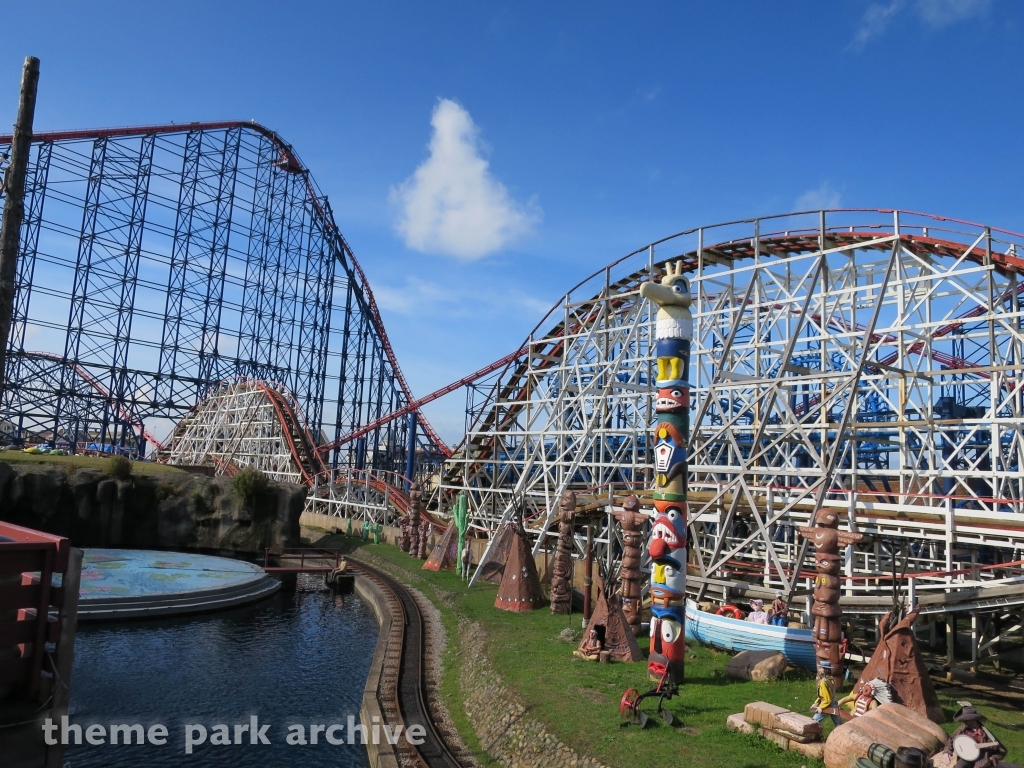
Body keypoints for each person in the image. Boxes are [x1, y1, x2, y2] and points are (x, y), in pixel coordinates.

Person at [940, 705, 1006, 768]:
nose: (965, 722)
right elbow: (951, 740)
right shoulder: (963, 728)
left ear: (972, 719)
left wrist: (990, 759)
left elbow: (1002, 751)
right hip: (967, 756)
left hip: (982, 758)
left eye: (967, 720)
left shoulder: (986, 734)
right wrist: (947, 752)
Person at [811, 662, 844, 726]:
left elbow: (827, 699)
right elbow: (824, 694)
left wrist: (821, 707)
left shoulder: (823, 682)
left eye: (821, 668)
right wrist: (816, 702)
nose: (819, 669)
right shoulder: (830, 679)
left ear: (825, 670)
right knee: (838, 724)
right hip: (834, 704)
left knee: (813, 722)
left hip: (827, 705)